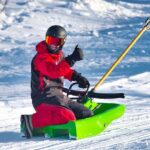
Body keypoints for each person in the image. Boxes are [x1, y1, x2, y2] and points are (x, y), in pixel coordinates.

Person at [21, 25, 93, 138]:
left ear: (62, 42)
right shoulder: (41, 57)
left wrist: (77, 77)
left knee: (85, 113)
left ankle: (63, 121)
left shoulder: (59, 55)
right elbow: (53, 71)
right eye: (50, 40)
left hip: (58, 97)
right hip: (43, 99)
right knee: (68, 116)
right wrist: (71, 59)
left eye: (56, 41)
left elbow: (63, 70)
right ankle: (30, 121)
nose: (52, 44)